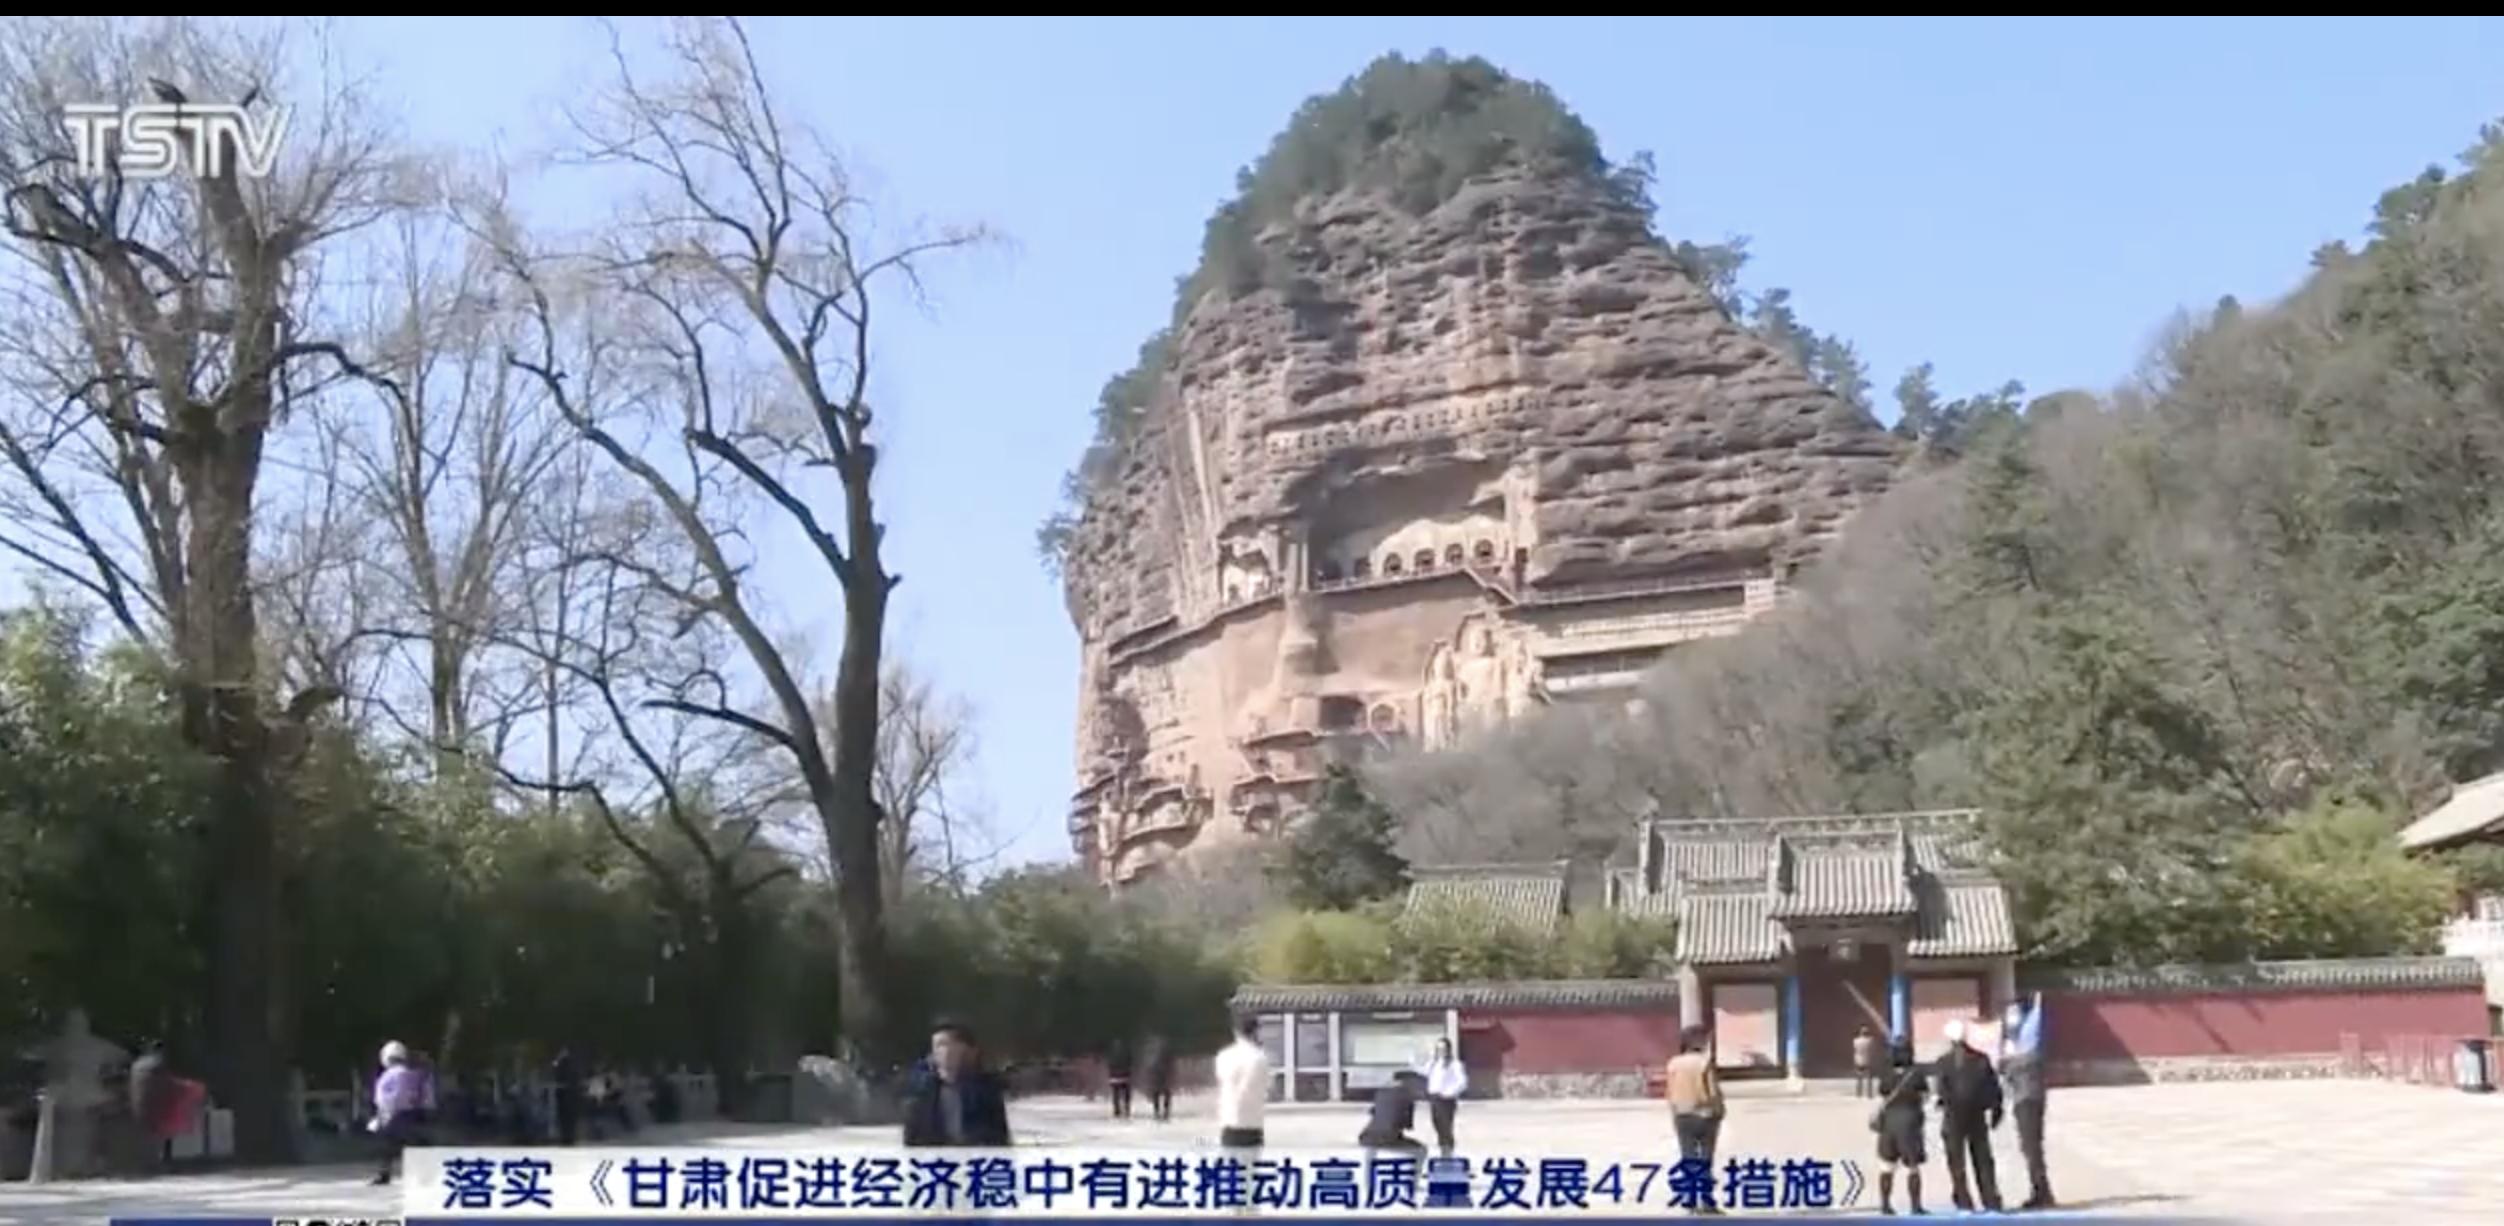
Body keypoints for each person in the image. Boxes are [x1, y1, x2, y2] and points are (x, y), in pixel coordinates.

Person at [1932, 1019, 2005, 1213]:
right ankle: (1991, 1199)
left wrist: (1943, 1102)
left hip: (1953, 1117)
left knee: (1956, 1161)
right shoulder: (1981, 1059)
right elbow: (1993, 1088)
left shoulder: (1943, 1062)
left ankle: (1963, 1199)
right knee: (1982, 1159)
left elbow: (1941, 1090)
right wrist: (1996, 1110)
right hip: (1976, 1116)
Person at [902, 1020, 1012, 1147]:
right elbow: (912, 1139)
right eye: (939, 1046)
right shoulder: (921, 1092)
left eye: (951, 1045)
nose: (946, 1052)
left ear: (969, 1051)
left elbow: (998, 1137)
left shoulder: (986, 1089)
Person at [1663, 1024, 1725, 1215]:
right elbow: (1712, 1091)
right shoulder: (1704, 1063)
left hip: (1682, 1116)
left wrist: (1674, 1111)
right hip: (1705, 1115)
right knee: (1705, 1160)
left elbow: (1670, 1092)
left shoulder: (1673, 1064)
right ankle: (1707, 1203)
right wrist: (1720, 1109)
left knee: (1689, 1159)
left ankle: (1689, 1201)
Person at [2000, 997, 2055, 1210]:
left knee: (2032, 1147)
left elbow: (2021, 1065)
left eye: (2013, 1014)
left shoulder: (2029, 1043)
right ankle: (2039, 1189)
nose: (2009, 1019)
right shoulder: (2015, 1045)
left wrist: (2007, 1062)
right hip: (2023, 1099)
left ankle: (2042, 1192)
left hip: (2029, 1100)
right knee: (2029, 1147)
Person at [1871, 1036, 1930, 1216]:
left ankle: (1885, 1205)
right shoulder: (1916, 1074)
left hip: (1889, 1125)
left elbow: (1881, 1096)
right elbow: (1925, 1097)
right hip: (1909, 1124)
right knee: (1912, 1167)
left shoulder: (1886, 1074)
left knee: (1887, 1166)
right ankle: (1915, 1206)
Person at [369, 1041, 432, 1186]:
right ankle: (385, 1174)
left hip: (396, 1113)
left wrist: (388, 1111)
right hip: (400, 1113)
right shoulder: (404, 1073)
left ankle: (386, 1174)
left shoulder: (398, 1074)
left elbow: (398, 1095)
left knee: (394, 1144)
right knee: (395, 1144)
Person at [1213, 1016, 1270, 1154]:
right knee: (1249, 1171)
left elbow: (1221, 1079)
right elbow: (1266, 1086)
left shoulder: (1224, 1056)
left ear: (1236, 1032)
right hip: (1252, 1123)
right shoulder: (1260, 1058)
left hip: (1229, 1121)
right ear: (1256, 1031)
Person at [1356, 1071, 1427, 1154]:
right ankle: (1416, 1167)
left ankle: (1369, 1165)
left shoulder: (1382, 1093)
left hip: (1367, 1136)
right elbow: (1405, 1125)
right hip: (1388, 1138)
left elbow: (1373, 1112)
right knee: (1421, 1150)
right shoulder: (1406, 1097)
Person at [1418, 1038, 1466, 1155]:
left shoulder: (1454, 1064)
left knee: (1445, 1126)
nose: (1441, 1051)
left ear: (1448, 1049)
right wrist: (1414, 1063)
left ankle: (1447, 1150)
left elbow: (1462, 1082)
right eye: (1439, 1049)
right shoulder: (1434, 1062)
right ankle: (1443, 1148)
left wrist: (1450, 1092)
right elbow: (1425, 1072)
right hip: (1434, 1098)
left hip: (1446, 1099)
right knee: (1436, 1123)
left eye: (1443, 1049)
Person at [550, 1047, 583, 1145]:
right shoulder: (572, 1064)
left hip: (565, 1095)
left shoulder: (563, 1064)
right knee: (568, 1119)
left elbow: (555, 1069)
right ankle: (569, 1138)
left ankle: (567, 1138)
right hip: (570, 1095)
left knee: (566, 1118)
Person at [1140, 1034, 1176, 1123]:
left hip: (1159, 1077)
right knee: (1164, 1094)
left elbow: (1149, 1067)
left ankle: (1158, 1112)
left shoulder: (1153, 1053)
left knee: (1158, 1094)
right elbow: (1170, 1066)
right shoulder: (1164, 1054)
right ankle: (1164, 1112)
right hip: (1162, 1077)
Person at [1105, 1038, 1135, 1121]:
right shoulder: (1126, 1053)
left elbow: (1110, 1065)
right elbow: (1130, 1063)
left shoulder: (1112, 1055)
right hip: (1124, 1076)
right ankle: (1126, 1110)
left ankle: (1117, 1111)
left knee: (1116, 1095)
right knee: (1125, 1095)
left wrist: (1110, 1075)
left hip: (1116, 1077)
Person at [1852, 1025, 1878, 1098]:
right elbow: (1872, 1049)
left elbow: (1855, 1049)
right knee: (1869, 1078)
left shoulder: (1856, 1041)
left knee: (1859, 1078)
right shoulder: (1870, 1040)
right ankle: (1869, 1094)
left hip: (1858, 1060)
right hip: (1868, 1060)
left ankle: (1858, 1093)